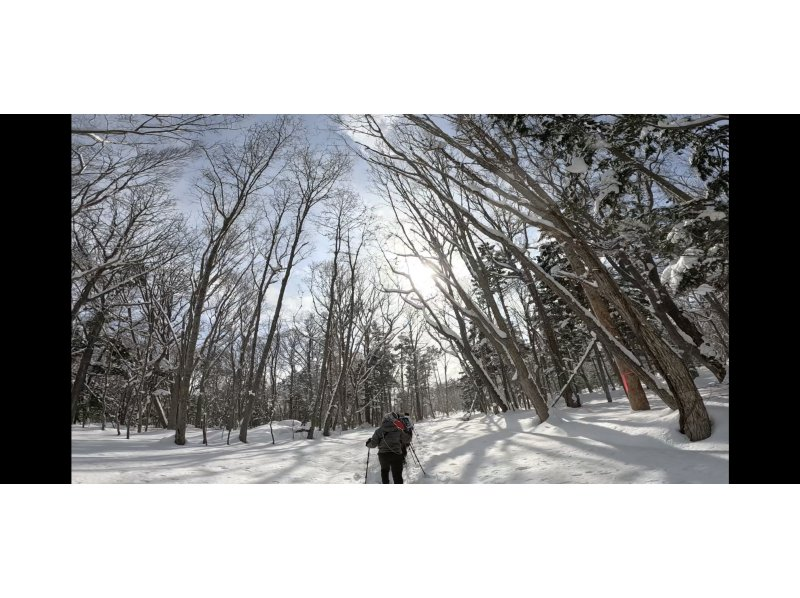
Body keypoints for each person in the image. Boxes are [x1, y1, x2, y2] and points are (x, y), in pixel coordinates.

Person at [366, 412, 412, 484]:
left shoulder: (378, 431)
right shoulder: (398, 430)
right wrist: (408, 432)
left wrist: (368, 443)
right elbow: (407, 440)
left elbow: (373, 444)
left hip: (383, 456)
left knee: (384, 472)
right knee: (397, 475)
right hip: (396, 455)